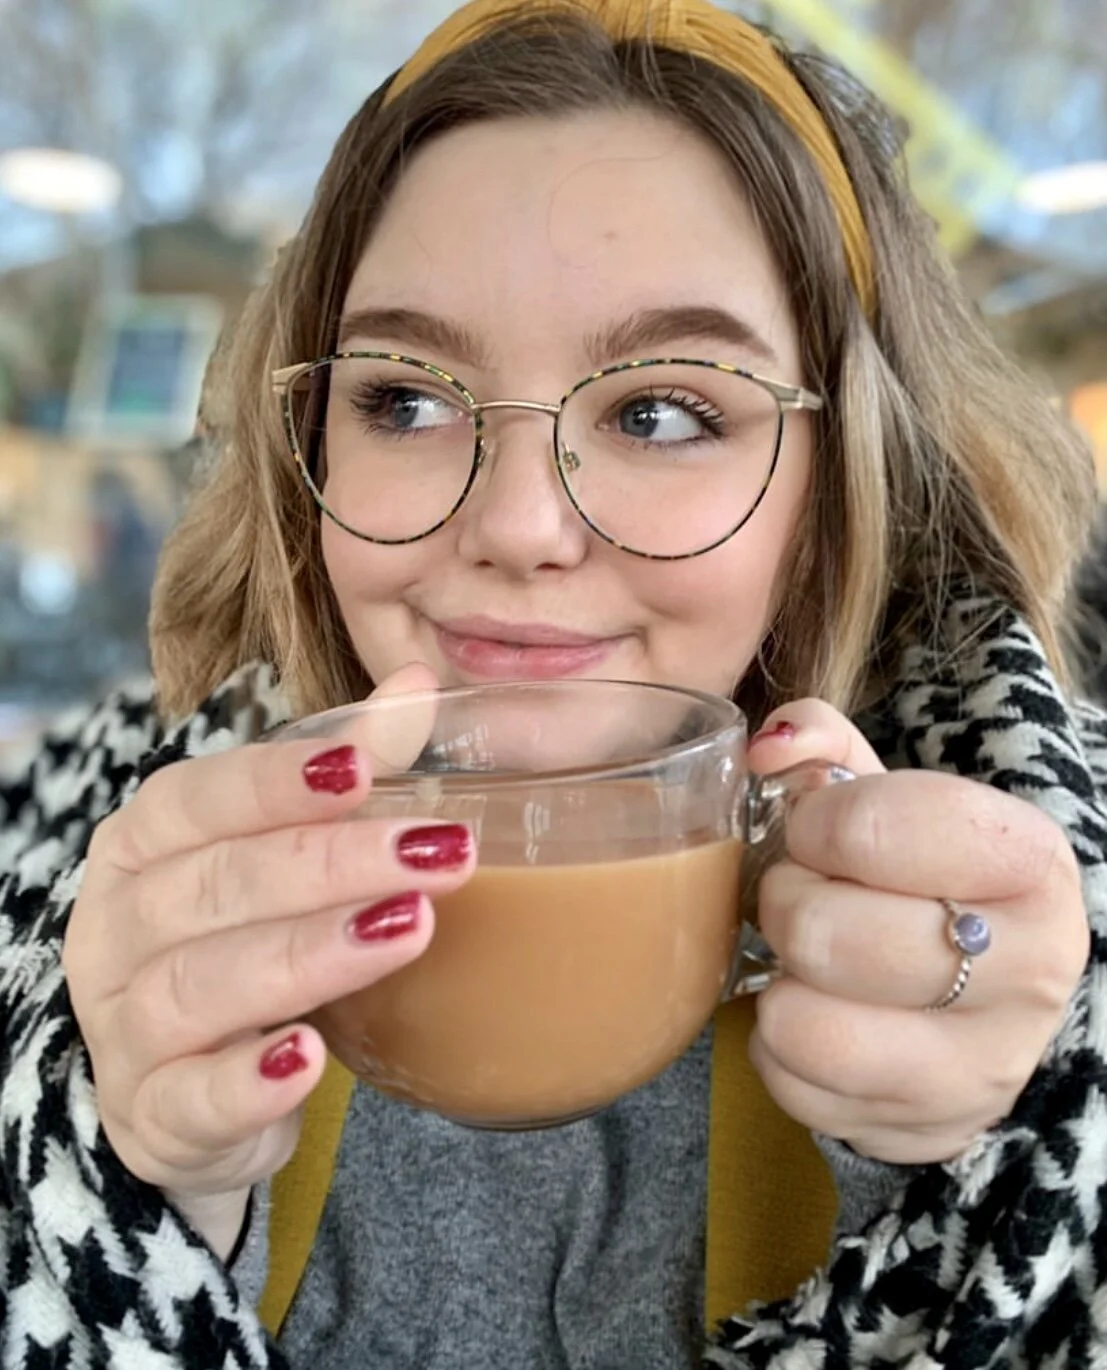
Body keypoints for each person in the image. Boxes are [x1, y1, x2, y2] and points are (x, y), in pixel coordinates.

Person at [2, 1, 1105, 1365]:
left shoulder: (1049, 897)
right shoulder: (80, 857)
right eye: (403, 398)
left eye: (660, 411)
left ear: (837, 487)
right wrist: (123, 1195)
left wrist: (1012, 1154)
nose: (518, 524)